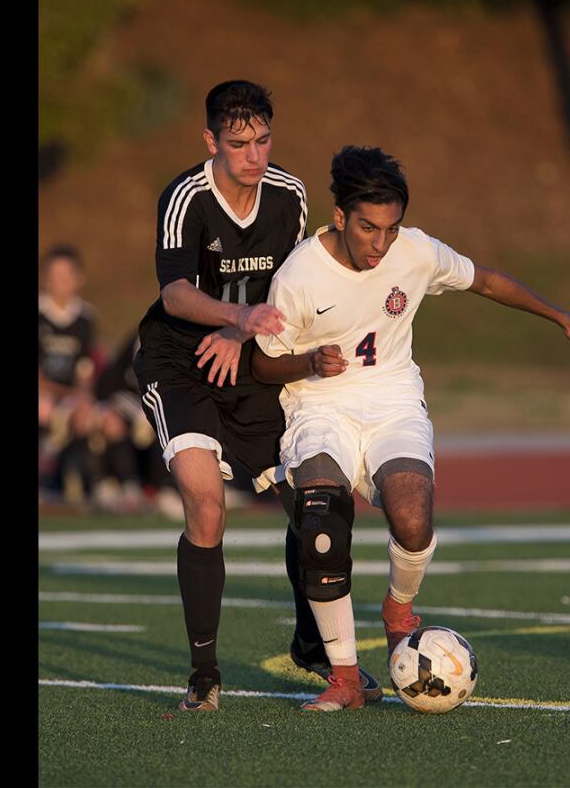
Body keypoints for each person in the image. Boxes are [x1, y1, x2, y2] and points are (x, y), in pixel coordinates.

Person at [250, 146, 570, 711]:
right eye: (368, 228)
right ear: (339, 217)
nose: (380, 243)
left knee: (413, 521)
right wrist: (308, 362)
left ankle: (398, 610)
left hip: (393, 404)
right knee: (321, 528)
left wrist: (562, 317)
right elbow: (264, 362)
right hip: (320, 407)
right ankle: (343, 677)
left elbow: (484, 281)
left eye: (391, 229)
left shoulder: (414, 252)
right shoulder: (300, 273)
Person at [132, 81, 380, 711]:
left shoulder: (289, 195)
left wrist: (243, 336)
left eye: (263, 139)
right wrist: (232, 322)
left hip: (247, 362)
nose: (254, 155)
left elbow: (289, 286)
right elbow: (174, 294)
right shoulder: (185, 196)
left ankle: (312, 642)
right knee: (206, 503)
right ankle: (204, 674)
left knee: (316, 501)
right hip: (179, 363)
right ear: (210, 140)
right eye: (238, 143)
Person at [38, 244, 108, 505]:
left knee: (85, 415)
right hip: (45, 394)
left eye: (67, 275)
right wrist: (66, 394)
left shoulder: (86, 317)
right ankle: (45, 481)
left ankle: (89, 482)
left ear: (79, 278)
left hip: (68, 394)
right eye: (54, 276)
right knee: (43, 408)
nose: (60, 282)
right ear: (45, 277)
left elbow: (85, 369)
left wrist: (83, 397)